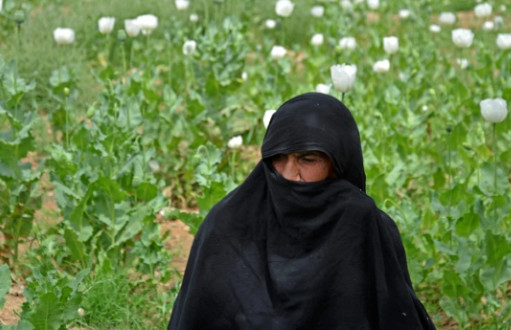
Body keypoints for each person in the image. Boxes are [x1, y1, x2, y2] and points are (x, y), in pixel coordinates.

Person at [167, 92, 435, 329]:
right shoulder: (229, 224)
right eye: (279, 158)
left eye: (308, 160)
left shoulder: (362, 224)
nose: (289, 174)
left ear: (338, 163)